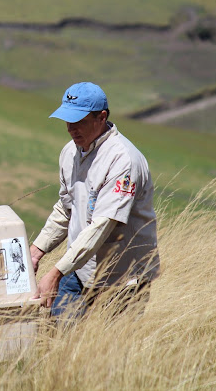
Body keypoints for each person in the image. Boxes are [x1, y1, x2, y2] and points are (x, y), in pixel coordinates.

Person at [30, 82, 160, 318]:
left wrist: (56, 272)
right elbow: (65, 208)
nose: (70, 128)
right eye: (67, 120)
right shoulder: (70, 152)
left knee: (112, 350)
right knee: (60, 337)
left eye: (78, 121)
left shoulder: (123, 160)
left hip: (122, 278)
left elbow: (102, 226)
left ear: (101, 117)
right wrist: (37, 250)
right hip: (78, 270)